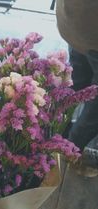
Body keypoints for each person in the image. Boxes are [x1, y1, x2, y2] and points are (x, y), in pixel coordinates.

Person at [56, 0, 98, 177]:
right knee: (95, 102)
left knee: (77, 84)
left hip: (73, 19)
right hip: (92, 27)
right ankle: (73, 147)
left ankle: (57, 135)